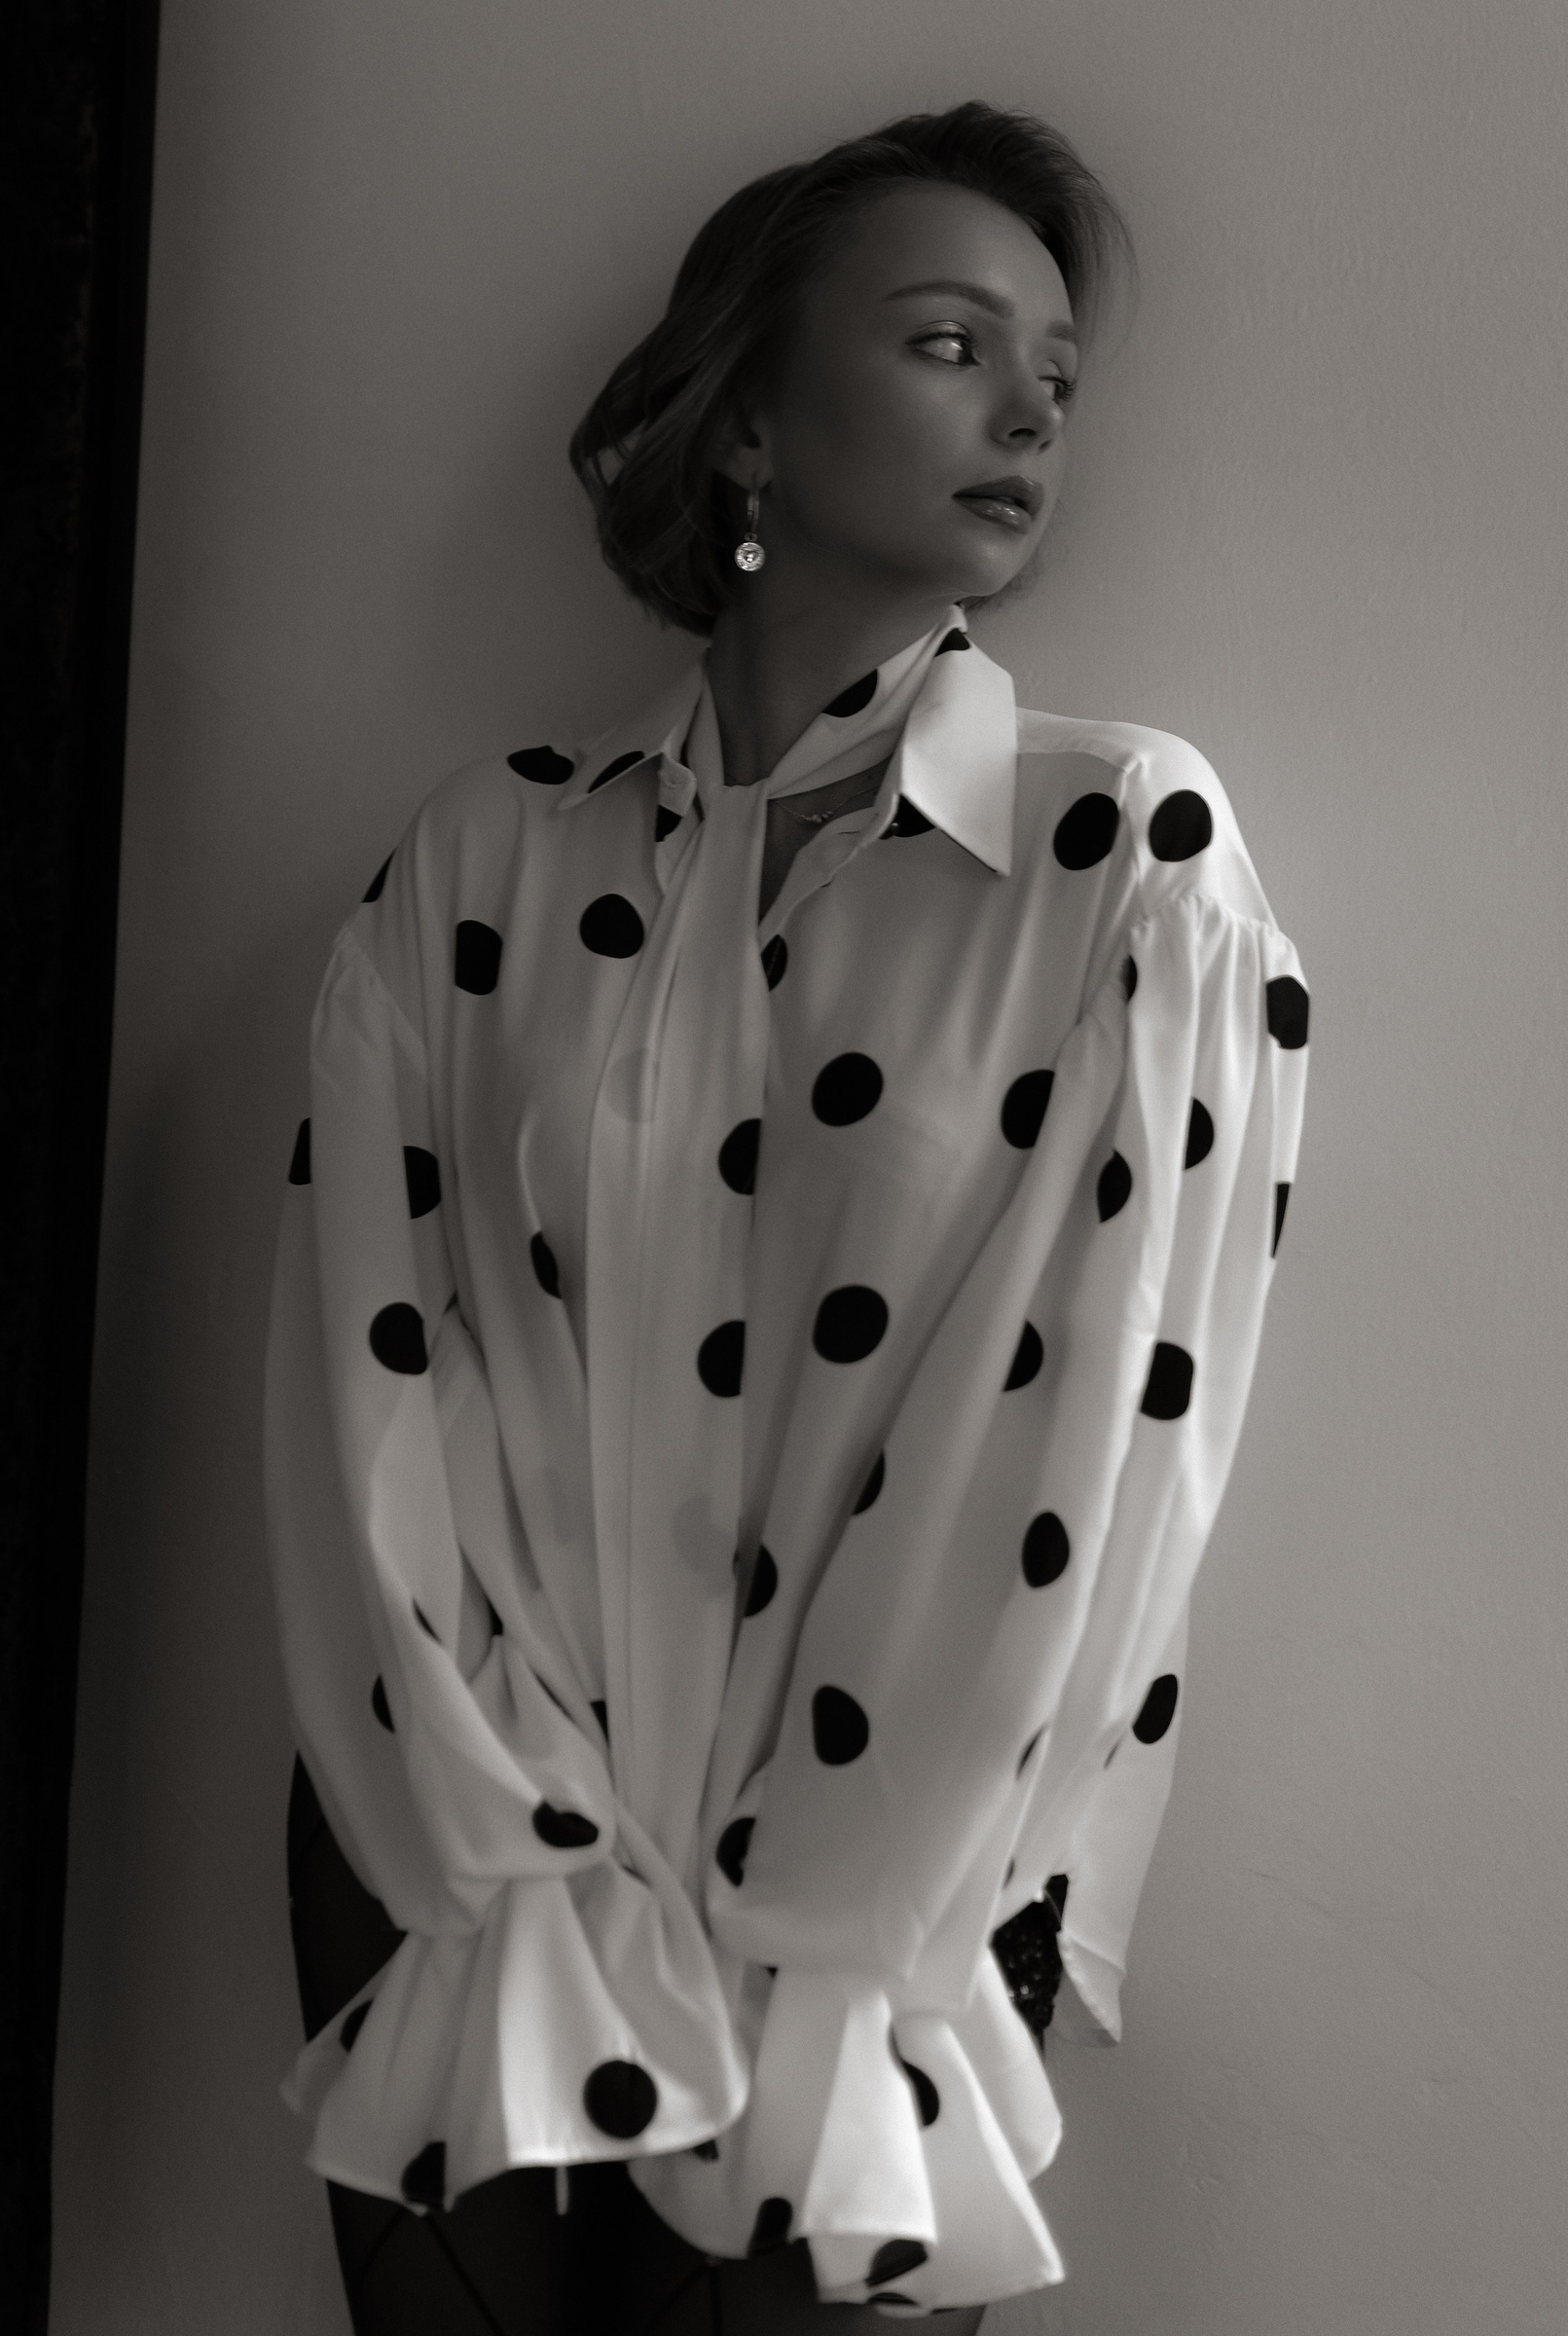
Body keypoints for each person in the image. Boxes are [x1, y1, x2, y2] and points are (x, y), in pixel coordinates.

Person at [265, 101, 1308, 2335]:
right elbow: (365, 1369)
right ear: (745, 420)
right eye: (950, 341)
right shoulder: (486, 861)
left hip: (878, 1905)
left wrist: (849, 1902)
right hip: (464, 1844)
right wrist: (498, 1815)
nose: (1030, 409)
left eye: (1054, 369)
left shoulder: (1125, 862)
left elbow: (1098, 1445)